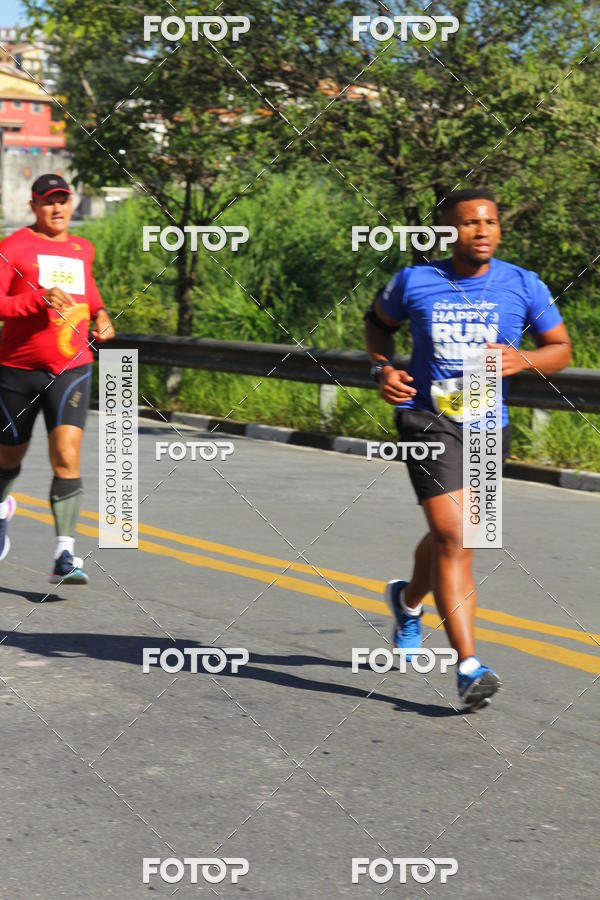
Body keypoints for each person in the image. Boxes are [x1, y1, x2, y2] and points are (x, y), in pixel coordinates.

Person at [364, 187, 571, 709]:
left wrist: (523, 361)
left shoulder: (523, 284)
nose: (482, 231)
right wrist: (382, 369)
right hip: (427, 419)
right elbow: (377, 327)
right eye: (470, 223)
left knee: (451, 536)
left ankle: (407, 601)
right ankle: (468, 667)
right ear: (447, 232)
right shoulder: (415, 282)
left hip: (485, 423)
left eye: (491, 222)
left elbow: (560, 349)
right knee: (455, 534)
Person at [0, 173, 115, 584]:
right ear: (33, 205)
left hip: (71, 367)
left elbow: (91, 295)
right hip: (17, 370)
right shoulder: (14, 247)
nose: (58, 208)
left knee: (66, 455)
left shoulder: (82, 248)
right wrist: (37, 298)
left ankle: (64, 555)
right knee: (8, 457)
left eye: (64, 200)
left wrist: (101, 316)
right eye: (49, 201)